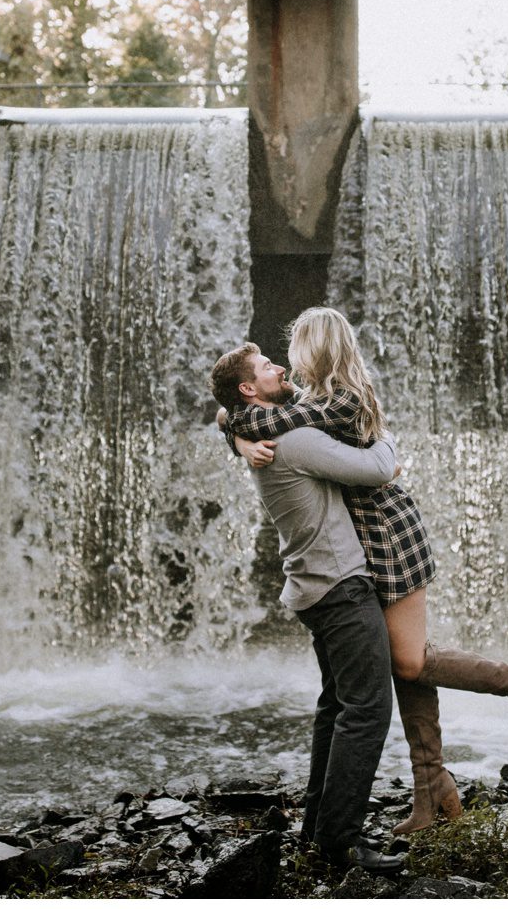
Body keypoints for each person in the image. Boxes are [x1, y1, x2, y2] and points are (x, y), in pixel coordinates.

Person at [214, 308, 508, 839]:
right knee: (406, 666)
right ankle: (432, 791)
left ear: (317, 350)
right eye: (273, 360)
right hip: (358, 541)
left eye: (291, 351)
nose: (284, 362)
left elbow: (364, 458)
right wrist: (234, 436)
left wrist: (388, 449)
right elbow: (239, 414)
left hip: (386, 532)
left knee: (407, 660)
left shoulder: (340, 401)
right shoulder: (301, 407)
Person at [208, 341, 407, 877]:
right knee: (367, 710)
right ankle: (341, 840)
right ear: (252, 389)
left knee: (336, 707)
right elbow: (377, 468)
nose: (281, 368)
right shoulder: (292, 439)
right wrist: (379, 428)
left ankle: (319, 827)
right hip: (340, 585)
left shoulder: (261, 428)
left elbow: (227, 412)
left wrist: (231, 433)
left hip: (312, 587)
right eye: (268, 368)